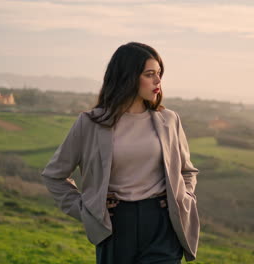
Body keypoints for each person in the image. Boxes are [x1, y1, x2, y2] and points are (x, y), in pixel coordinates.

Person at [41, 42, 200, 264]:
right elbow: (54, 175)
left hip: (162, 224)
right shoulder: (90, 123)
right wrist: (87, 210)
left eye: (159, 74)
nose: (157, 81)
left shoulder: (169, 120)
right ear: (128, 77)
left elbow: (187, 170)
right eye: (149, 74)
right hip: (115, 225)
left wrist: (185, 198)